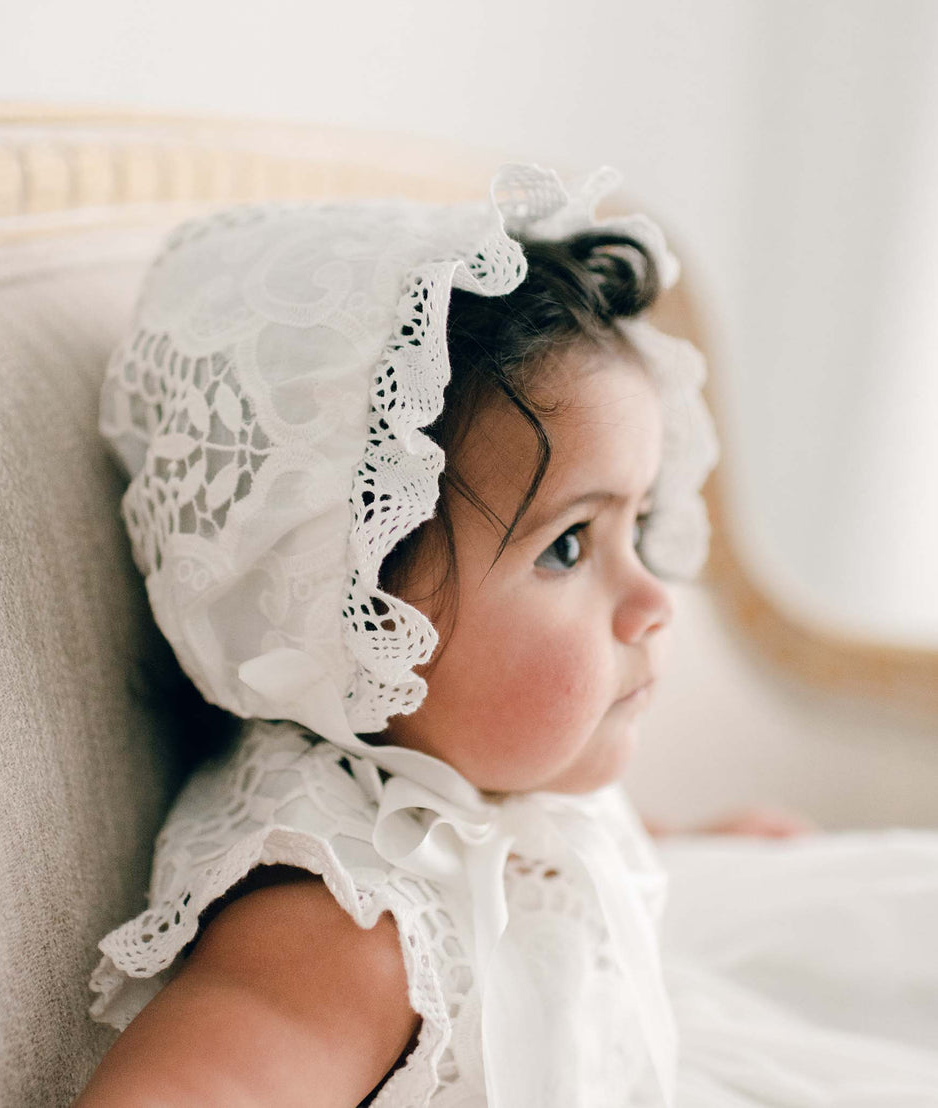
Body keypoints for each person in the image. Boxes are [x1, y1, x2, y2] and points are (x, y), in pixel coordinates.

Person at [75, 165, 938, 1106]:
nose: (654, 597)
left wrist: (683, 842)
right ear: (363, 614)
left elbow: (528, 862)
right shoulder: (344, 933)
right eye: (568, 544)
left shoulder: (480, 764)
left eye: (638, 527)